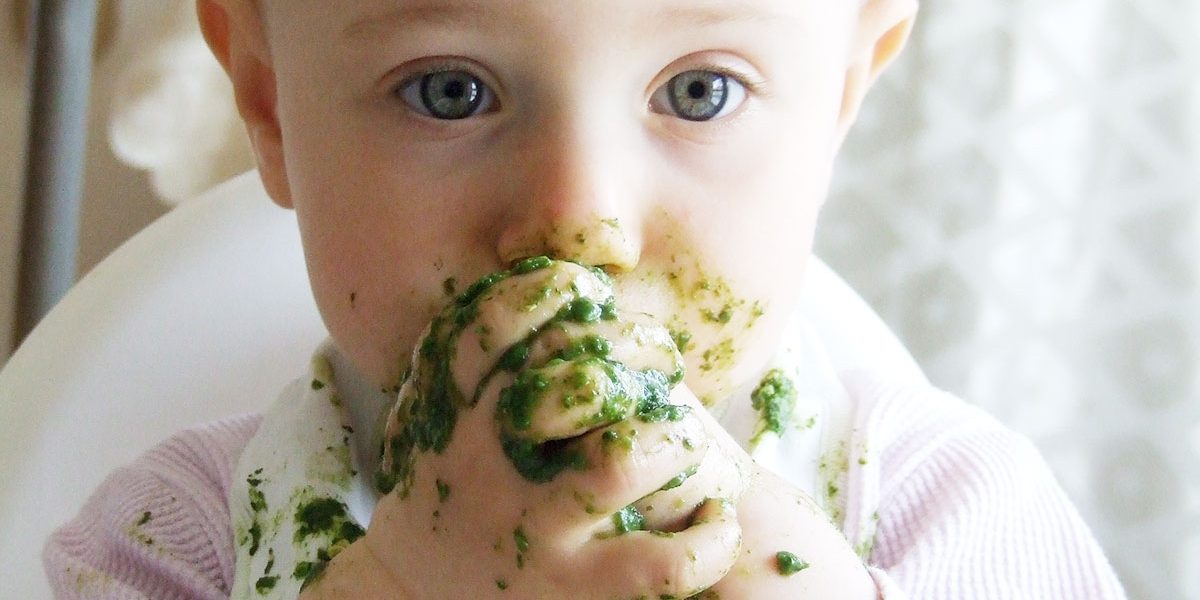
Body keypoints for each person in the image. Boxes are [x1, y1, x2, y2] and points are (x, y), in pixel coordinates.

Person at [43, 0, 1128, 598]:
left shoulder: (960, 525)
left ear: (842, 94)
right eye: (450, 90)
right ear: (270, 104)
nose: (578, 220)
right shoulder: (167, 548)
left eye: (699, 91)